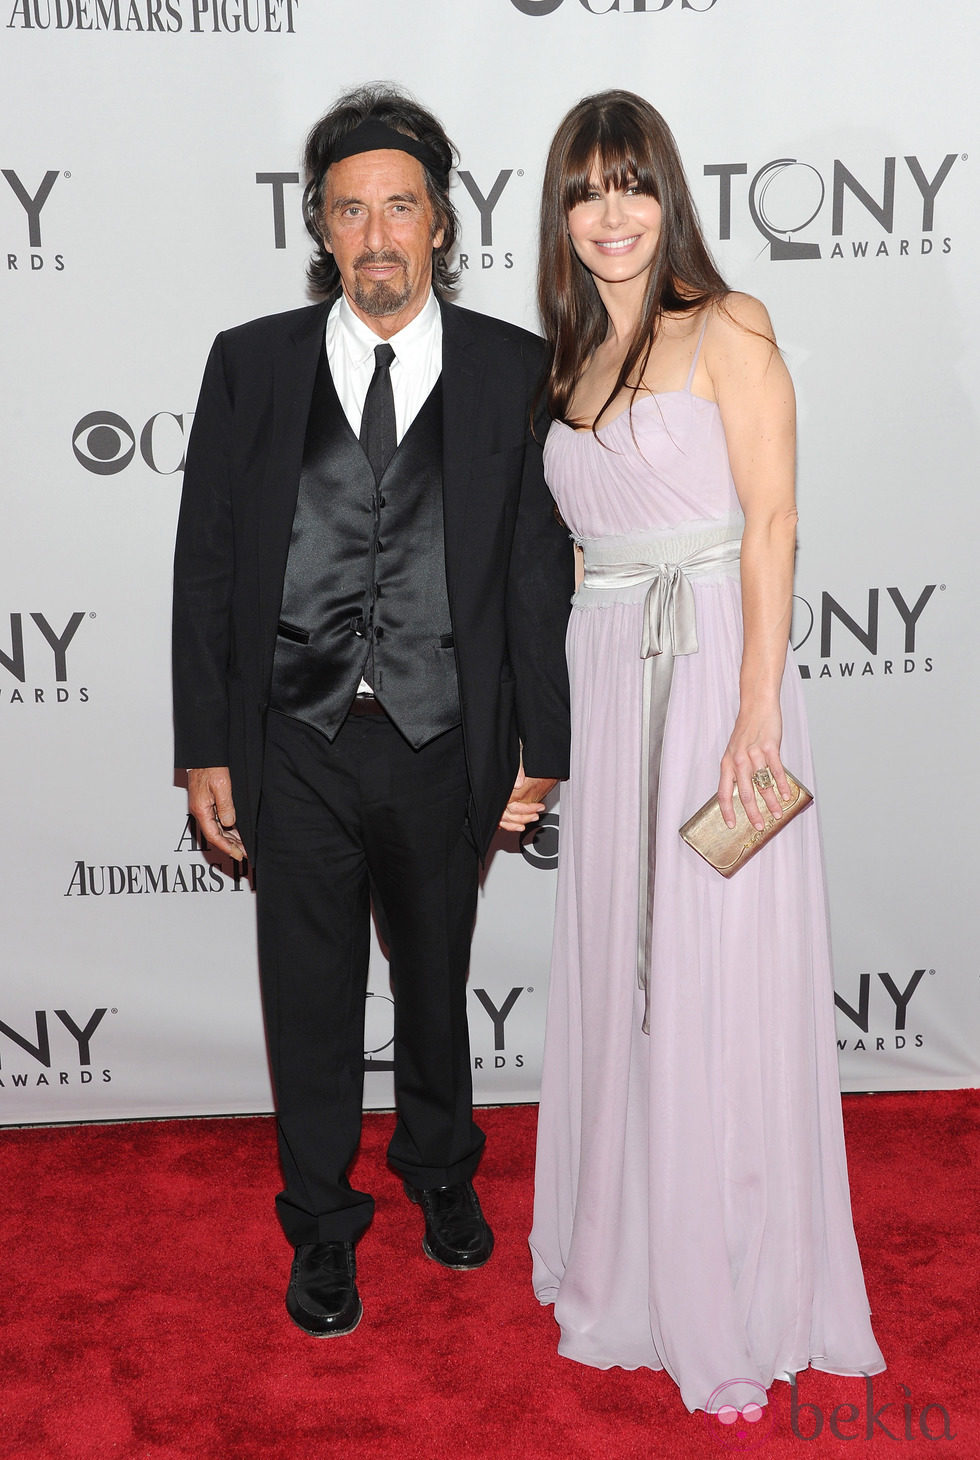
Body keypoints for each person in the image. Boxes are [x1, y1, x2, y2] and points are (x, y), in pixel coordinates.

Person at [172, 85, 572, 1339]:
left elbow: (533, 577)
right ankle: (322, 1230)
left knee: (438, 977)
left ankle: (443, 1177)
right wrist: (203, 746)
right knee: (308, 998)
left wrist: (540, 748)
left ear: (442, 223)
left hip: (443, 736)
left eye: (400, 204)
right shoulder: (252, 363)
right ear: (321, 228)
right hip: (292, 742)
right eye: (351, 209)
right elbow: (208, 562)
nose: (377, 232)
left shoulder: (513, 366)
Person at [528, 90, 885, 1414]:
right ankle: (626, 1249)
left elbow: (777, 519)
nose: (611, 214)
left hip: (717, 673)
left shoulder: (728, 325)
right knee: (629, 971)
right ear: (561, 213)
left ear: (668, 195)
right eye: (585, 189)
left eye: (631, 184)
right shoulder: (561, 367)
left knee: (717, 974)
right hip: (612, 677)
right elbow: (575, 563)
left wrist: (758, 708)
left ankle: (734, 1272)